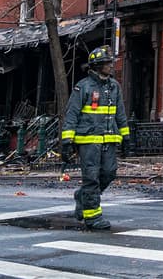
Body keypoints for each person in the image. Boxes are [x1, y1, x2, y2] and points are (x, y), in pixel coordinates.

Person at [60, 46, 129, 231]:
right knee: (91, 178)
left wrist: (126, 136)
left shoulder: (114, 87)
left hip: (109, 139)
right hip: (88, 140)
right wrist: (67, 141)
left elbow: (120, 113)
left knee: (109, 172)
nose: (111, 66)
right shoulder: (83, 87)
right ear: (97, 66)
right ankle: (92, 217)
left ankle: (82, 196)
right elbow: (72, 114)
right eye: (107, 63)